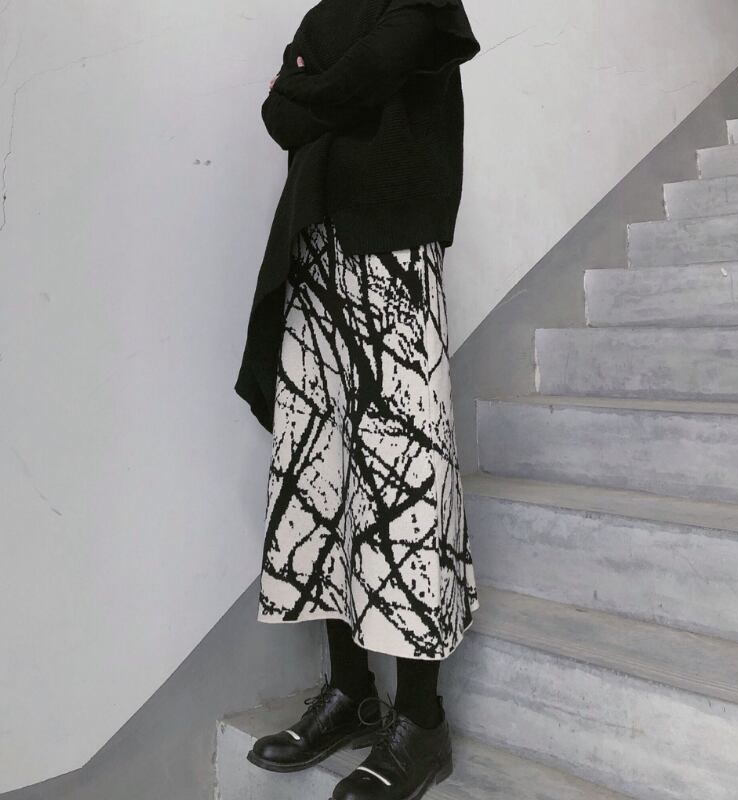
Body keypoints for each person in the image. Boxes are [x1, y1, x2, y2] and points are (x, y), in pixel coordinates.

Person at [235, 1, 481, 797]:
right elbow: (279, 116)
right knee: (322, 475)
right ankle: (351, 694)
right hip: (315, 253)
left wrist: (313, 77)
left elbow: (371, 69)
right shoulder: (327, 10)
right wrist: (324, 80)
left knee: (403, 477)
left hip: (393, 255)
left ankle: (422, 720)